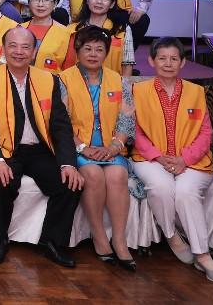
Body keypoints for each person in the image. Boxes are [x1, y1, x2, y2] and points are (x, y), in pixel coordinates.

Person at [0, 26, 83, 268]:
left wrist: (68, 163)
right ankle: (0, 238)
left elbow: (61, 126)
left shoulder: (49, 80)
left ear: (34, 52)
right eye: (13, 46)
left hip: (39, 149)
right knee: (0, 182)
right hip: (6, 149)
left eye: (26, 47)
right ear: (4, 49)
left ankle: (52, 242)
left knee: (70, 184)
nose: (19, 52)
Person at [131, 37, 213, 283]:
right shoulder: (138, 91)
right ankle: (172, 235)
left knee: (186, 192)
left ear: (183, 62)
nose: (168, 63)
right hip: (150, 158)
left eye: (174, 58)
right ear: (151, 61)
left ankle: (202, 255)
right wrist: (158, 156)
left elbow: (206, 132)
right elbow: (135, 131)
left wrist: (184, 159)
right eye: (162, 58)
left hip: (192, 161)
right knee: (161, 187)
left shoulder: (196, 92)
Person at [59, 25, 136, 271]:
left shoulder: (118, 80)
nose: (93, 54)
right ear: (78, 51)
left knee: (117, 175)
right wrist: (82, 147)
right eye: (88, 49)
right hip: (78, 148)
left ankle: (120, 241)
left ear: (106, 53)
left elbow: (126, 118)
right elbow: (59, 122)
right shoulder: (63, 80)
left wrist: (114, 146)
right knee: (92, 174)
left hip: (110, 148)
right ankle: (100, 237)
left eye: (99, 49)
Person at [72, 0, 136, 76]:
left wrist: (123, 84)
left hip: (112, 83)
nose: (99, 2)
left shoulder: (122, 30)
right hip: (77, 82)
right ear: (87, 0)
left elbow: (127, 64)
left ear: (112, 4)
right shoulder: (72, 29)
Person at [21, 0, 75, 73]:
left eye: (46, 0)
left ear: (55, 4)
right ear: (29, 2)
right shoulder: (18, 29)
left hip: (53, 81)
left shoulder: (67, 34)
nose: (40, 4)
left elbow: (69, 71)